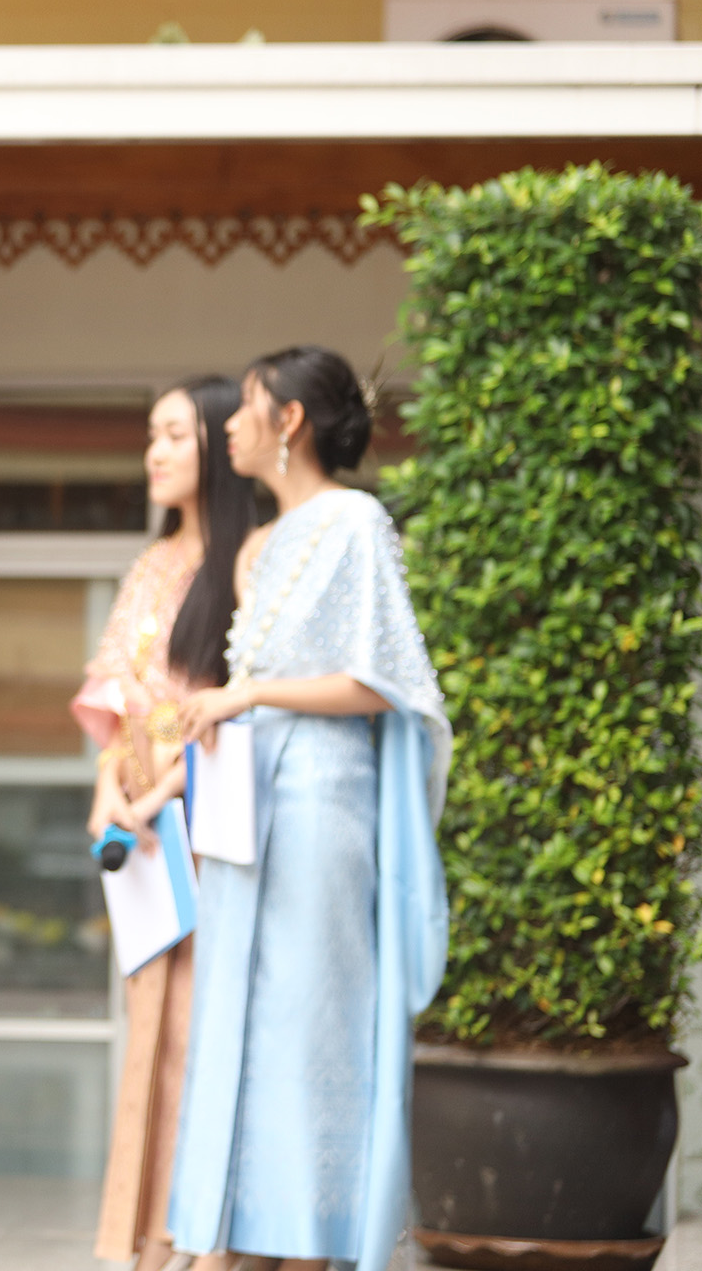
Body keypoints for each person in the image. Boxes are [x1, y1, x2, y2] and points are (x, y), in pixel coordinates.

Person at [167, 347, 450, 1271]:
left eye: (247, 405)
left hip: (325, 803)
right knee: (245, 1013)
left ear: (289, 419)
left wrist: (247, 696)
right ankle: (251, 1229)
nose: (230, 424)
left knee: (312, 1012)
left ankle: (317, 1236)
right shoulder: (267, 540)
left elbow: (382, 683)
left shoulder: (353, 520)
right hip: (253, 801)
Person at [75, 376, 251, 1271]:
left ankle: (207, 1238)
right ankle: (149, 1240)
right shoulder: (149, 565)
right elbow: (114, 700)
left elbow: (240, 718)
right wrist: (110, 788)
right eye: (152, 433)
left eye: (176, 434)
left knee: (202, 1033)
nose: (155, 451)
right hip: (148, 841)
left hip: (212, 833)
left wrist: (157, 797)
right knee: (151, 1032)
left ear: (221, 443)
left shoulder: (248, 565)